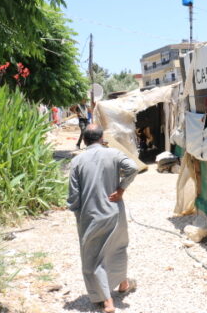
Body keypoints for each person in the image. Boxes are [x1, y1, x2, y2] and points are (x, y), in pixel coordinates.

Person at [67, 124, 138, 312]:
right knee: (118, 247)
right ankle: (123, 284)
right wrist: (121, 189)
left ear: (84, 140)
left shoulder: (77, 161)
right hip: (114, 211)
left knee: (94, 257)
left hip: (90, 216)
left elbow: (74, 195)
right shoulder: (113, 154)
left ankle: (108, 302)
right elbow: (132, 167)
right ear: (101, 138)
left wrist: (76, 213)